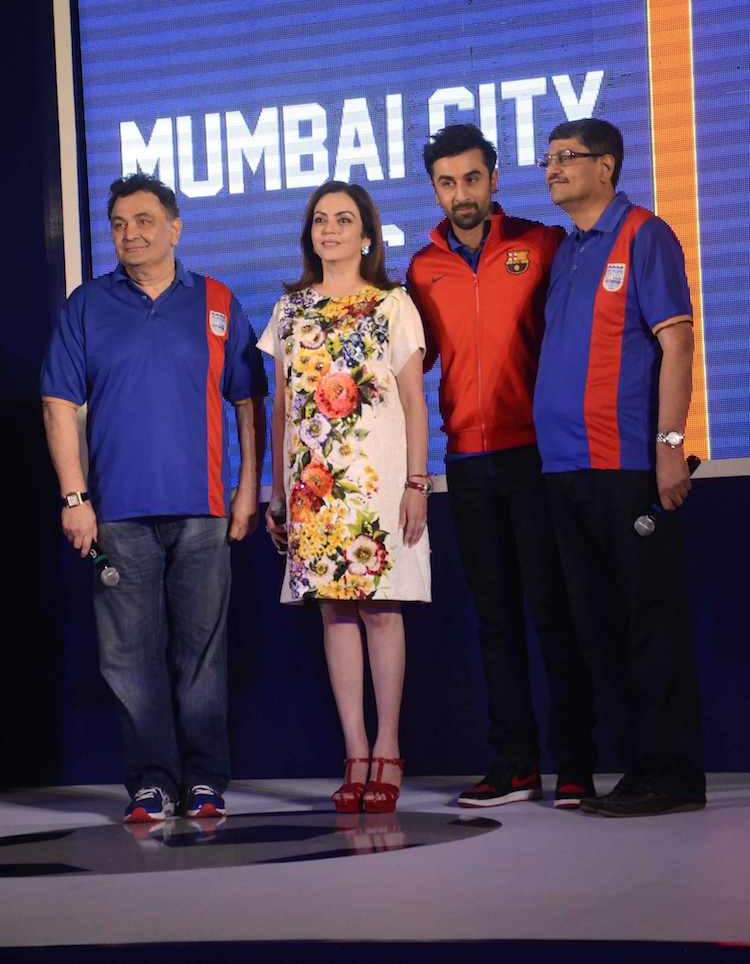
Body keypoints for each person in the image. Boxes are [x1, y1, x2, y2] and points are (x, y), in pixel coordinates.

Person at [41, 173, 266, 823]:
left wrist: (249, 488)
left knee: (201, 654)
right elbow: (58, 401)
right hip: (117, 515)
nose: (129, 234)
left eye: (142, 221)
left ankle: (204, 782)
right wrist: (74, 497)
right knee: (128, 658)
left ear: (175, 227)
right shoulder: (87, 305)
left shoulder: (218, 301)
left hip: (204, 511)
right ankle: (150, 782)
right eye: (117, 224)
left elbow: (249, 401)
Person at [408, 123, 596, 809]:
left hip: (537, 458)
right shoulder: (421, 269)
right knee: (495, 621)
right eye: (447, 182)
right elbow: (409, 366)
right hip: (468, 460)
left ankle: (575, 765)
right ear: (435, 188)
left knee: (553, 613)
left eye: (473, 179)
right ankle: (515, 765)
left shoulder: (541, 244)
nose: (462, 193)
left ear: (494, 179)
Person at [534, 117, 705, 817]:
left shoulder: (644, 235)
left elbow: (678, 341)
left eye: (566, 158)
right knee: (600, 627)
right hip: (566, 473)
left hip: (627, 467)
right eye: (548, 160)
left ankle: (671, 775)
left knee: (646, 623)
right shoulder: (568, 251)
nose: (552, 170)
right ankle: (639, 771)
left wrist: (669, 444)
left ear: (606, 166)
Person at [258, 180, 430, 814]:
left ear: (367, 236)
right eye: (320, 220)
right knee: (334, 612)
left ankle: (389, 748)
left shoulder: (392, 305)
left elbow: (415, 404)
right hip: (314, 489)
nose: (329, 229)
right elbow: (281, 412)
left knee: (382, 609)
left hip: (379, 486)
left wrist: (417, 483)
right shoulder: (290, 311)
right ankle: (354, 751)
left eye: (344, 219)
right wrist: (278, 493)